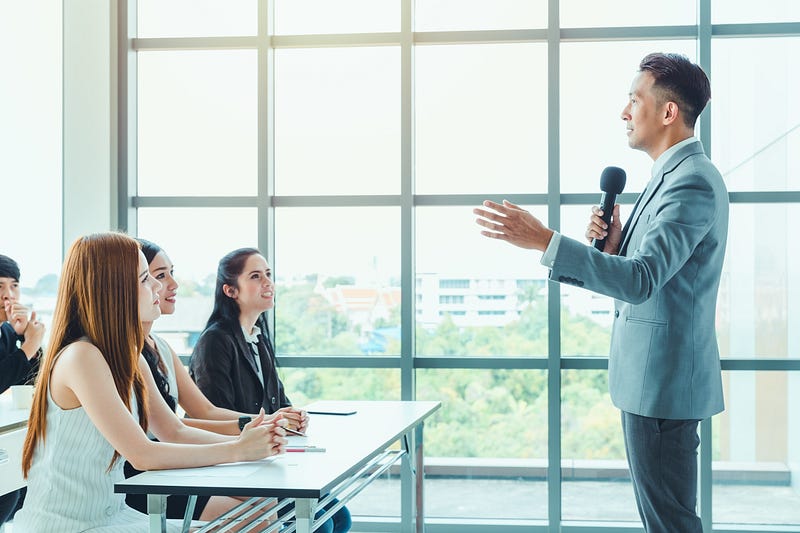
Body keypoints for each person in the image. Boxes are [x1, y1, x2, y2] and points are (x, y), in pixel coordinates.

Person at [474, 53, 728, 532]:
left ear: (668, 112)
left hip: (664, 388)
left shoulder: (691, 182)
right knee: (666, 519)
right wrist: (613, 247)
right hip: (653, 384)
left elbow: (640, 281)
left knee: (670, 522)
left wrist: (544, 240)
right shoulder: (669, 177)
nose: (625, 112)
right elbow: (642, 274)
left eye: (635, 99)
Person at [15, 233, 286, 532]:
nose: (159, 285)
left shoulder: (130, 355)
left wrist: (247, 441)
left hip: (114, 517)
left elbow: (174, 430)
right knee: (255, 522)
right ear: (113, 291)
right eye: (146, 278)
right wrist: (237, 449)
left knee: (261, 515)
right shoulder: (82, 356)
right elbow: (142, 454)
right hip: (68, 526)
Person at [124, 238, 290, 520]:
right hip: (149, 474)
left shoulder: (161, 348)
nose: (171, 284)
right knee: (267, 512)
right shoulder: (124, 354)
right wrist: (243, 440)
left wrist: (261, 424)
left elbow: (200, 413)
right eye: (158, 276)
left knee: (274, 503)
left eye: (169, 274)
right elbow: (171, 431)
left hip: (170, 462)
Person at [190, 247, 352, 533]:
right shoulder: (215, 342)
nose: (267, 282)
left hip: (268, 458)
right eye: (255, 276)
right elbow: (214, 418)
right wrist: (275, 421)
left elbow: (279, 404)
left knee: (339, 516)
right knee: (323, 522)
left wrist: (294, 417)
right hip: (236, 465)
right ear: (230, 290)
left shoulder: (258, 337)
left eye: (268, 274)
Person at [0, 254, 44, 526]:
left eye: (14, 286)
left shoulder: (6, 332)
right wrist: (29, 344)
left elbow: (31, 377)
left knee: (16, 484)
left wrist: (27, 337)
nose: (8, 296)